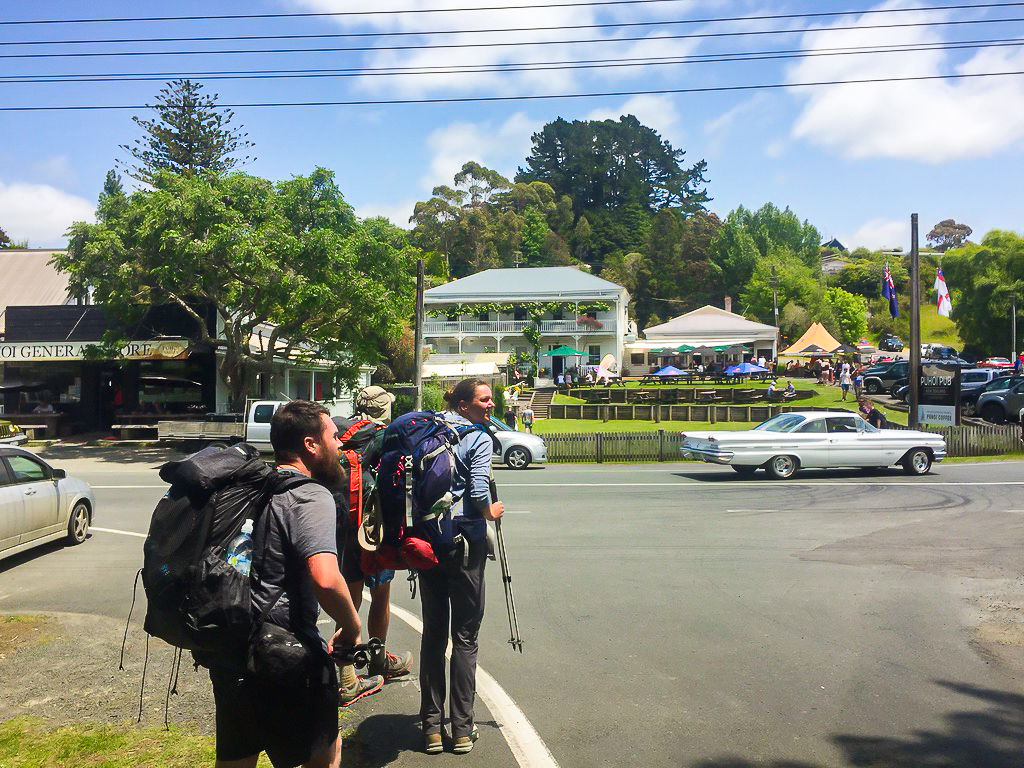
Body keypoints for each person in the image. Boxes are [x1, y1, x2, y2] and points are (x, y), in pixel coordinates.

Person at [209, 400, 362, 768]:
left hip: (231, 650)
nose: (341, 444)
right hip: (285, 655)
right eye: (334, 436)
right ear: (311, 445)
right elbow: (325, 578)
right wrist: (352, 625)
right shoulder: (311, 495)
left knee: (237, 757)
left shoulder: (251, 487)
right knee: (325, 755)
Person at [419, 379, 505, 755]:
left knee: (434, 635)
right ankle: (463, 730)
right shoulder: (479, 437)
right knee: (465, 637)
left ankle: (431, 729)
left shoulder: (429, 429)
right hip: (465, 545)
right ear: (466, 404)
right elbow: (478, 491)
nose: (490, 404)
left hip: (427, 544)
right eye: (484, 399)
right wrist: (491, 512)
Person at [335, 387, 413, 707]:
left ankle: (348, 672)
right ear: (384, 410)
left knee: (348, 602)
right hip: (372, 530)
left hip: (342, 528)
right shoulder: (384, 436)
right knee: (380, 596)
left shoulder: (342, 434)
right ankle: (376, 661)